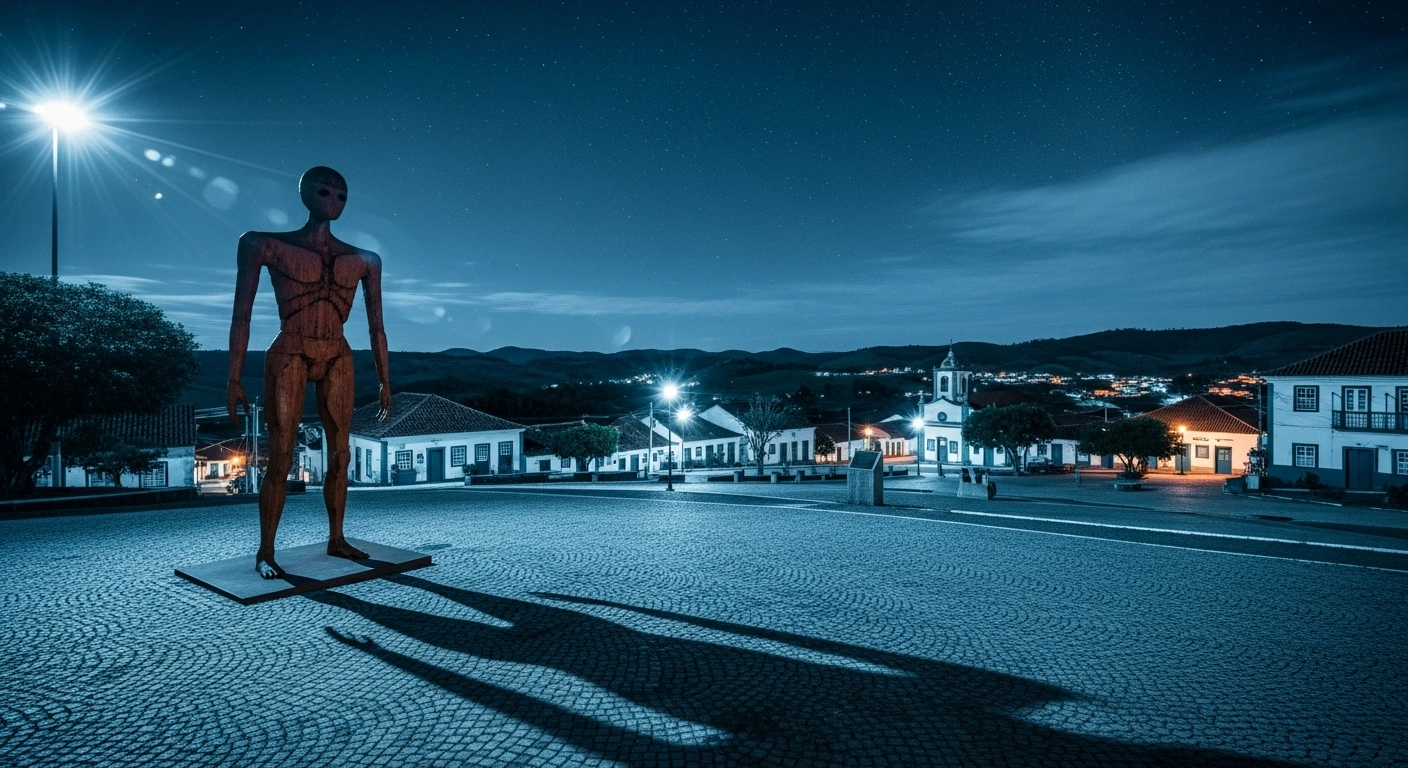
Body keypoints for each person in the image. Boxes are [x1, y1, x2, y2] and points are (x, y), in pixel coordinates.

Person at [226, 167, 392, 579]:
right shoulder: (264, 244)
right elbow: (242, 314)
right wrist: (234, 377)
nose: (333, 201)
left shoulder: (365, 260)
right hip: (291, 350)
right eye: (324, 192)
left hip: (337, 353)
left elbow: (377, 326)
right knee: (281, 455)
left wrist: (385, 379)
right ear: (305, 194)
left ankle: (337, 538)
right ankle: (266, 551)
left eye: (342, 195)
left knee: (341, 454)